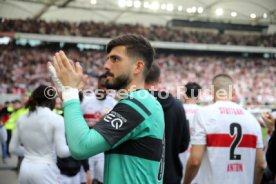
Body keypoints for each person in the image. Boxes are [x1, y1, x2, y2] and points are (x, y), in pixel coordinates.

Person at [49, 34, 165, 184]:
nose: (106, 65)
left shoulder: (137, 104)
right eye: (108, 58)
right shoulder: (142, 102)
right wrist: (67, 96)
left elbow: (81, 147)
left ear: (138, 67)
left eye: (115, 59)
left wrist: (70, 94)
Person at [184, 74, 265, 184]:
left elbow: (195, 160)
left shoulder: (204, 114)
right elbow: (260, 165)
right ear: (233, 92)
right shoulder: (252, 119)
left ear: (212, 92)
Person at [9, 85, 71, 184]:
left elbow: (12, 148)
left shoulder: (22, 118)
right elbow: (62, 152)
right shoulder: (56, 119)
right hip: (45, 169)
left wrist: (31, 154)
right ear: (52, 100)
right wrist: (78, 147)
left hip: (25, 168)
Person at [145, 63, 189, 184]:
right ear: (159, 80)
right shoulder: (177, 105)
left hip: (142, 176)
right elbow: (184, 144)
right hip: (171, 174)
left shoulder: (134, 103)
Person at [81, 74, 117, 184]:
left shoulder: (113, 104)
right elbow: (79, 125)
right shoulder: (86, 101)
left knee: (103, 180)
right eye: (102, 85)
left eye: (106, 86)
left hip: (104, 150)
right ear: (97, 84)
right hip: (87, 149)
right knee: (87, 181)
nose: (103, 89)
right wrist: (99, 124)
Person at [180, 82, 202, 181]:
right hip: (196, 156)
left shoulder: (177, 109)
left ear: (185, 95)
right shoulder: (203, 112)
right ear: (198, 96)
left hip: (179, 156)